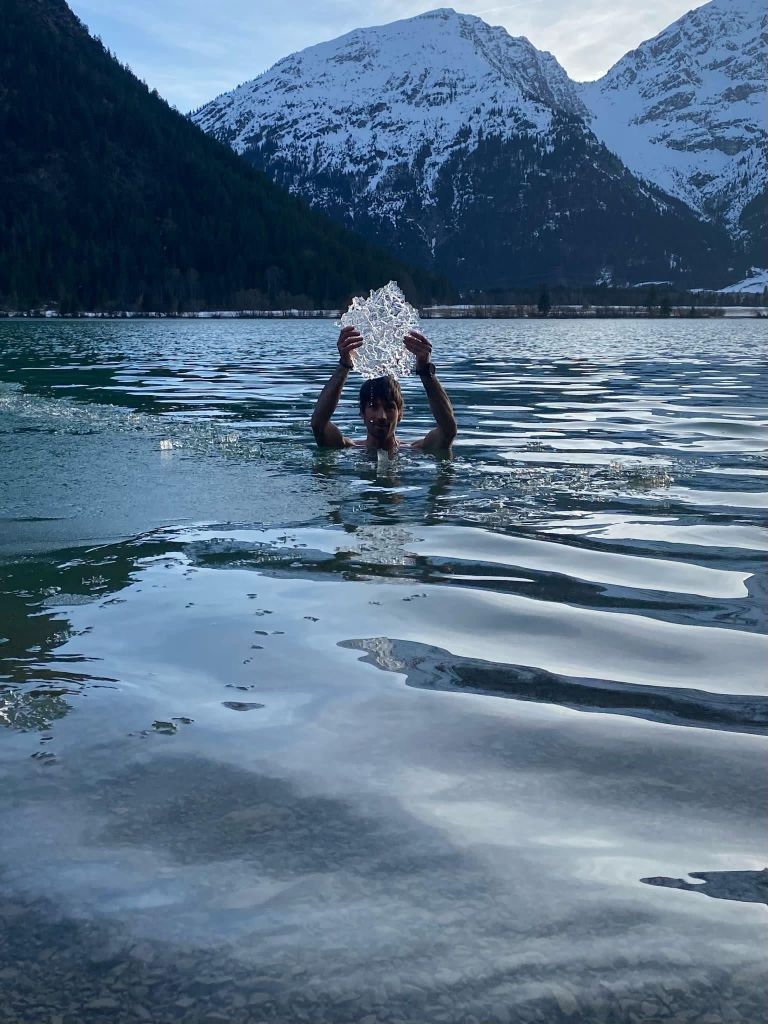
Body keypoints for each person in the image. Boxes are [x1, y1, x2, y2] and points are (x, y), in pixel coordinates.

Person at [310, 327, 457, 453]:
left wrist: (425, 371)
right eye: (373, 407)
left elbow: (448, 430)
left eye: (389, 408)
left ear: (400, 414)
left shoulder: (416, 450)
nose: (382, 416)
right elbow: (318, 424)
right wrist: (344, 365)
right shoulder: (348, 449)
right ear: (362, 412)